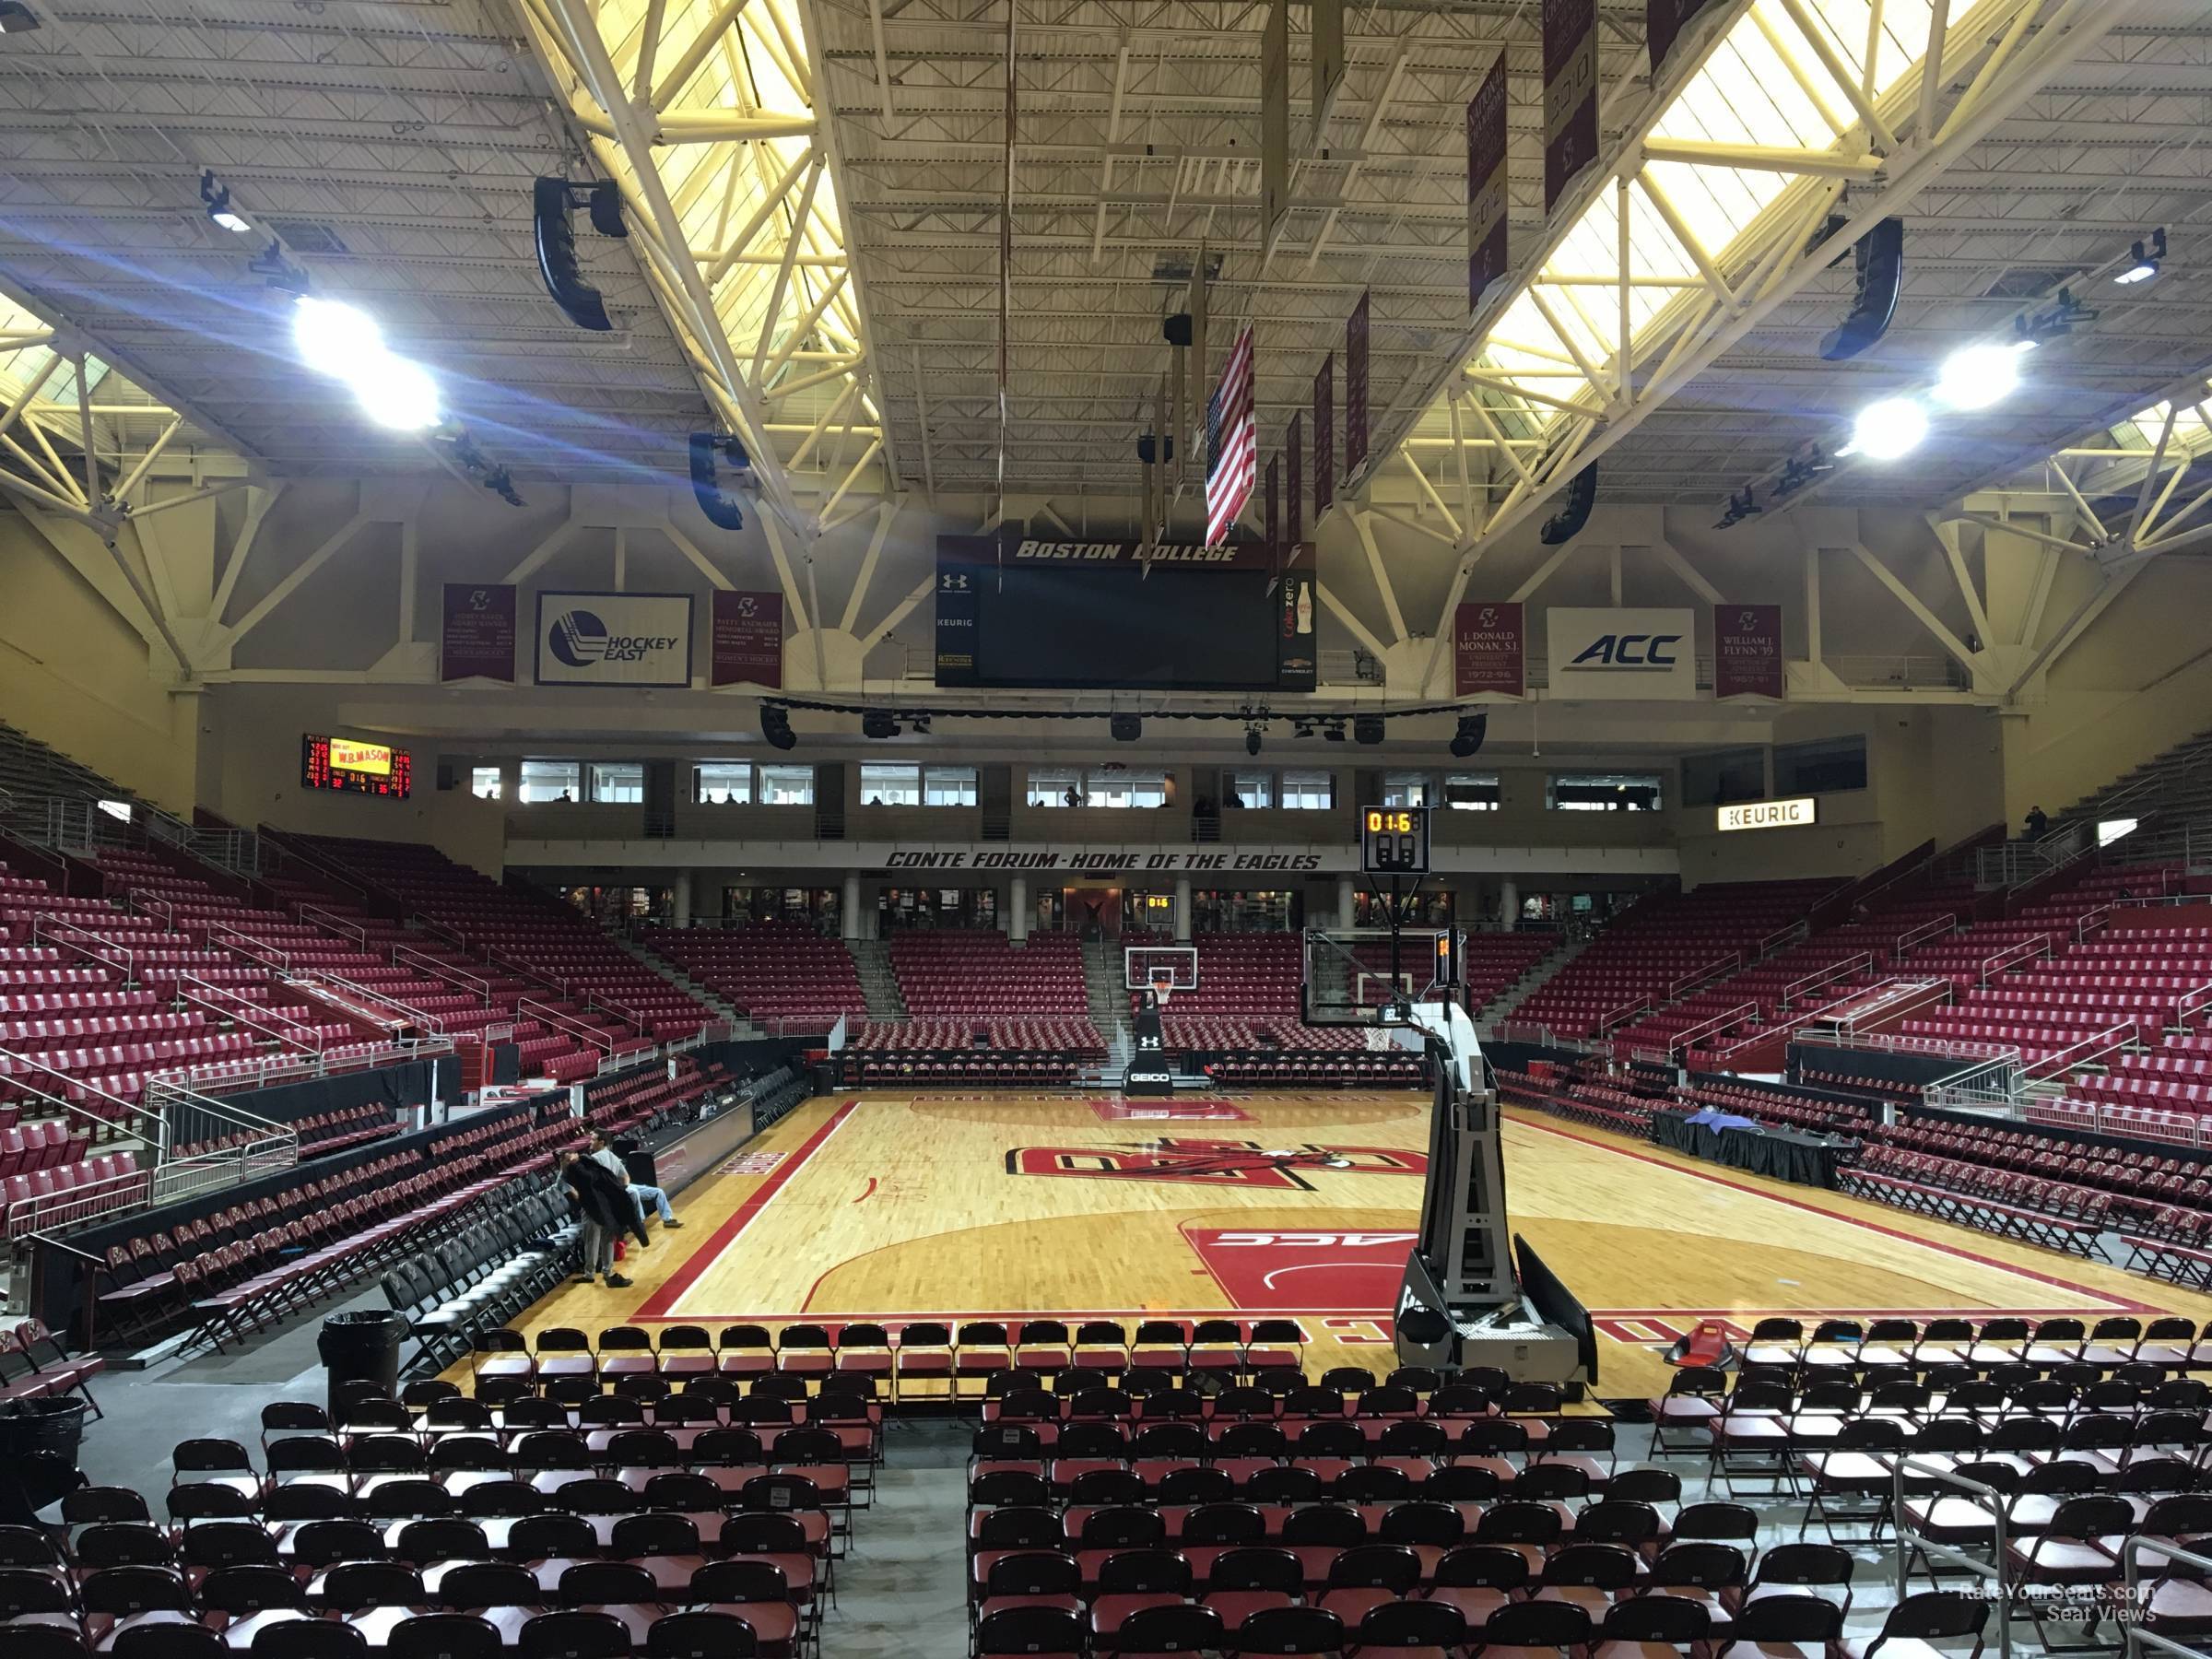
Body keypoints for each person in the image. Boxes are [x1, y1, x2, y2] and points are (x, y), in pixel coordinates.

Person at [558, 1147, 645, 1287]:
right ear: (562, 1162)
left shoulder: (585, 1165)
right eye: (568, 1160)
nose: (572, 1162)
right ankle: (589, 1273)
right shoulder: (563, 1178)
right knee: (592, 1241)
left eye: (573, 1159)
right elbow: (576, 1197)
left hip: (602, 1206)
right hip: (588, 1209)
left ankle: (608, 1273)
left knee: (608, 1238)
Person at [590, 1129, 682, 1229]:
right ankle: (640, 1223)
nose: (590, 1142)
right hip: (614, 1190)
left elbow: (625, 1176)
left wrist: (624, 1187)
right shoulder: (602, 1157)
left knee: (658, 1192)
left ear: (601, 1142)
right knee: (634, 1192)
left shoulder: (604, 1157)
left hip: (620, 1188)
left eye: (593, 1139)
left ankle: (667, 1219)